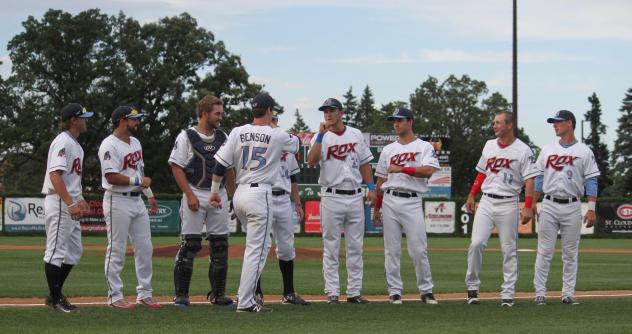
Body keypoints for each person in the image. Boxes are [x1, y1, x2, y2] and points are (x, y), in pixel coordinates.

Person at [209, 92, 299, 313]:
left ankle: (246, 296)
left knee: (258, 246)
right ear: (269, 111)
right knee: (257, 249)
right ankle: (246, 301)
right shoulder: (276, 134)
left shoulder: (238, 132)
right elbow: (296, 145)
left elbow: (220, 164)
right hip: (260, 194)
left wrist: (214, 192)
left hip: (239, 193)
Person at [306, 97, 376, 305]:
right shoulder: (321, 136)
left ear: (341, 112)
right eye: (325, 111)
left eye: (331, 110)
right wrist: (319, 135)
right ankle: (333, 292)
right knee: (331, 247)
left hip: (355, 195)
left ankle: (354, 292)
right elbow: (311, 161)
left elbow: (365, 163)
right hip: (331, 195)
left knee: (356, 247)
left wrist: (371, 187)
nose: (327, 114)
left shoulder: (355, 134)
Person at [464, 111, 538, 307]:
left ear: (509, 125)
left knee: (509, 249)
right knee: (477, 243)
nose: (494, 126)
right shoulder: (489, 145)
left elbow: (530, 180)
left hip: (509, 202)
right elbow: (481, 172)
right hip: (486, 201)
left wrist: (528, 206)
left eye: (498, 123)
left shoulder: (523, 150)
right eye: (494, 123)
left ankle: (508, 293)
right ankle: (472, 287)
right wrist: (472, 195)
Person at [168, 95, 236, 307]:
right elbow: (176, 167)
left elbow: (229, 169)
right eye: (217, 113)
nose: (220, 117)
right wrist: (189, 194)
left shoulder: (223, 137)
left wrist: (234, 197)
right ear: (205, 113)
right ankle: (181, 295)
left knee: (220, 245)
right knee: (190, 245)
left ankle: (218, 294)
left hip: (219, 194)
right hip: (195, 191)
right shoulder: (186, 136)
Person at [372, 108, 440, 305]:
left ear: (410, 121)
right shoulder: (388, 150)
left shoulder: (424, 146)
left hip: (412, 200)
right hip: (390, 200)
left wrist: (402, 168)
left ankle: (426, 291)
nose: (396, 124)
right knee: (391, 250)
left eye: (400, 120)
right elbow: (380, 181)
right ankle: (394, 292)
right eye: (394, 121)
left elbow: (428, 171)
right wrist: (377, 208)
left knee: (418, 249)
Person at [532, 110, 600, 305]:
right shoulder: (547, 149)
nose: (555, 125)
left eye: (558, 122)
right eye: (553, 122)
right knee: (544, 251)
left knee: (570, 252)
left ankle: (568, 293)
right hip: (549, 203)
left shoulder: (584, 151)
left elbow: (591, 180)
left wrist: (592, 208)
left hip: (572, 205)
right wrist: (534, 203)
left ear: (570, 123)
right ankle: (540, 293)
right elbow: (538, 177)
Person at [98, 106, 160, 310]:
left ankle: (144, 293)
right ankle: (114, 296)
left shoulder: (135, 142)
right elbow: (111, 176)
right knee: (117, 248)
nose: (138, 122)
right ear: (123, 120)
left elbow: (139, 171)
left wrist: (149, 195)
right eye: (134, 119)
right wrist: (139, 181)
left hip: (136, 200)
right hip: (117, 199)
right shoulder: (109, 144)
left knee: (144, 248)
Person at [254, 113, 310, 306]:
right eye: (271, 120)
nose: (274, 124)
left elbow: (292, 178)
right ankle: (256, 293)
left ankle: (288, 293)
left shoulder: (286, 147)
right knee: (260, 247)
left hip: (284, 200)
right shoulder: (258, 144)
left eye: (276, 121)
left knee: (286, 248)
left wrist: (298, 203)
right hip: (264, 196)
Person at [42, 103, 93, 313]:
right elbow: (55, 175)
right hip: (60, 202)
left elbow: (71, 178)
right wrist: (70, 202)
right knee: (55, 252)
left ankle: (55, 294)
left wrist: (79, 198)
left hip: (67, 201)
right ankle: (56, 299)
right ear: (73, 120)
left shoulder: (75, 145)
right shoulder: (63, 141)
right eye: (83, 117)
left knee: (73, 252)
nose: (86, 120)